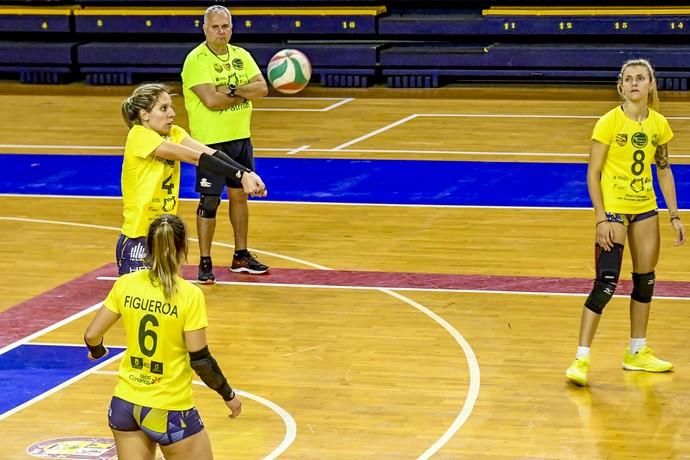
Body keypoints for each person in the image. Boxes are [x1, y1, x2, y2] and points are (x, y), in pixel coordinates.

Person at [565, 58, 686, 386]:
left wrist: (675, 215)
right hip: (615, 211)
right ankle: (581, 358)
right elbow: (593, 173)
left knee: (645, 281)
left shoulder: (659, 124)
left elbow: (663, 168)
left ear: (651, 84)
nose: (634, 83)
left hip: (646, 209)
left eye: (640, 78)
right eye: (628, 78)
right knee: (605, 283)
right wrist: (600, 217)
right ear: (621, 86)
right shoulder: (608, 122)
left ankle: (637, 351)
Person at [85, 214, 241, 459]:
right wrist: (227, 394)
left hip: (125, 406)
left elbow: (92, 334)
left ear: (148, 246)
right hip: (169, 409)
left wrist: (97, 351)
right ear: (183, 248)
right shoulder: (189, 295)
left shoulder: (126, 284)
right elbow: (201, 360)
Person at [117, 82, 267, 276]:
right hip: (139, 236)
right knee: (139, 299)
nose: (171, 113)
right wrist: (240, 175)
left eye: (171, 107)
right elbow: (196, 158)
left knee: (168, 297)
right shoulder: (139, 136)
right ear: (144, 115)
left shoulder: (174, 133)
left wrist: (246, 172)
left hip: (166, 232)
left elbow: (211, 153)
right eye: (163, 108)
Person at [181, 4, 270, 283]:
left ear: (232, 27)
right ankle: (205, 261)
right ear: (204, 28)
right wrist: (244, 93)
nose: (221, 31)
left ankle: (240, 255)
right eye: (216, 26)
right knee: (209, 201)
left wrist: (230, 90)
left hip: (240, 138)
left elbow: (262, 89)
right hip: (210, 143)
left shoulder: (242, 55)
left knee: (240, 196)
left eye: (226, 26)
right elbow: (210, 100)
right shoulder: (196, 60)